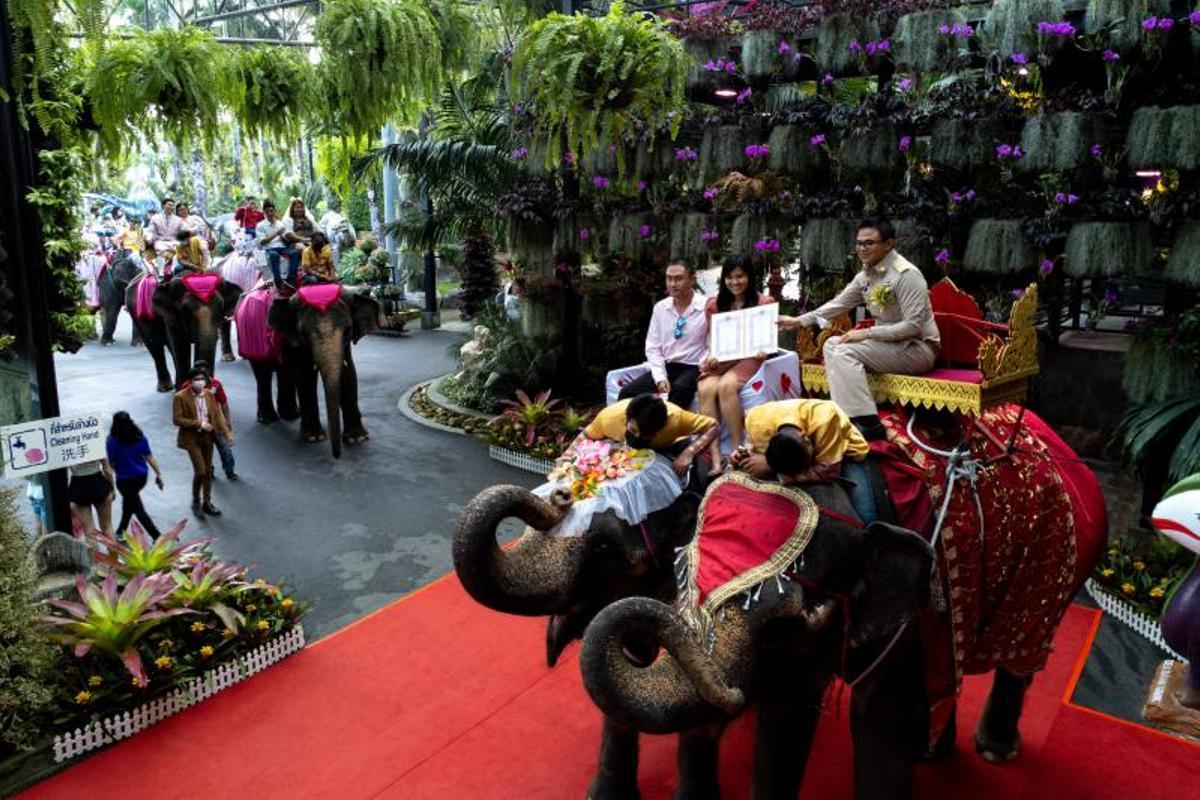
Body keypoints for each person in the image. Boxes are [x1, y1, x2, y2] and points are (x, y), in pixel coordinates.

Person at [777, 217, 939, 441]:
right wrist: (798, 321)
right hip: (888, 346)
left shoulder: (907, 275)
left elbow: (913, 327)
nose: (862, 248)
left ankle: (868, 423)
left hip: (917, 349)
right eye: (859, 243)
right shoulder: (866, 275)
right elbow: (838, 304)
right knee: (832, 344)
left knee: (845, 349)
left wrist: (865, 333)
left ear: (888, 244)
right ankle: (849, 415)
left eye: (869, 243)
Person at [732, 398, 875, 522]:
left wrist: (772, 468)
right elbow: (751, 441)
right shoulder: (755, 419)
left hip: (843, 448)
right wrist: (745, 452)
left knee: (866, 515)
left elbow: (829, 470)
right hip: (788, 459)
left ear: (804, 435)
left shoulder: (826, 418)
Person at [696, 257, 776, 471]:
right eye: (729, 277)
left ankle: (737, 449)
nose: (734, 282)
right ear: (723, 280)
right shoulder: (714, 304)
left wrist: (764, 351)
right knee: (705, 388)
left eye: (739, 276)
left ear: (749, 277)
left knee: (726, 386)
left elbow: (767, 340)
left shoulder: (764, 302)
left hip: (750, 356)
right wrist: (711, 356)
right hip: (723, 357)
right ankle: (714, 457)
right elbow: (714, 339)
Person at [618, 261, 708, 410]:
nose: (673, 284)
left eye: (679, 278)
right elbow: (653, 347)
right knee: (627, 392)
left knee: (680, 388)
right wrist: (660, 377)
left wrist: (704, 363)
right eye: (669, 278)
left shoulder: (706, 306)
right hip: (668, 366)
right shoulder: (661, 308)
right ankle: (632, 432)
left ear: (692, 279)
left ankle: (669, 432)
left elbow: (712, 344)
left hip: (694, 366)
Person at [576, 393, 718, 477]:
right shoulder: (609, 417)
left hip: (668, 449)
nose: (638, 437)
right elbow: (584, 436)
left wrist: (690, 452)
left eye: (646, 434)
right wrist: (564, 460)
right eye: (633, 430)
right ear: (627, 418)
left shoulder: (676, 418)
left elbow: (713, 425)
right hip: (624, 457)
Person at [173, 365, 233, 519]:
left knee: (207, 472)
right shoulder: (180, 397)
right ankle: (195, 502)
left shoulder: (209, 394)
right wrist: (198, 423)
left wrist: (227, 432)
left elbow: (217, 415)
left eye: (202, 379)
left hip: (208, 437)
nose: (200, 382)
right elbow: (177, 419)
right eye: (196, 379)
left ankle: (207, 502)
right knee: (200, 471)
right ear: (190, 381)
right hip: (192, 439)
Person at [106, 411, 165, 539]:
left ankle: (157, 536)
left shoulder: (111, 441)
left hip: (124, 481)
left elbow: (110, 466)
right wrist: (159, 474)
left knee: (138, 510)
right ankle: (121, 532)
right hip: (141, 478)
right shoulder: (139, 437)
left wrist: (111, 487)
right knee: (129, 504)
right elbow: (149, 456)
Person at [192, 360, 238, 481]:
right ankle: (209, 471)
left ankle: (230, 471)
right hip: (200, 426)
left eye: (204, 373)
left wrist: (227, 422)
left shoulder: (215, 385)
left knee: (225, 450)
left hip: (216, 424)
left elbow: (224, 404)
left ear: (208, 372)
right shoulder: (187, 386)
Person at [67, 458, 115, 541]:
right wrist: (112, 488)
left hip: (78, 486)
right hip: (99, 483)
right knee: (107, 527)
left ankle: (94, 554)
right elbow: (107, 470)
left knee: (89, 532)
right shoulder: (94, 444)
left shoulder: (67, 445)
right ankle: (113, 554)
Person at [256, 200, 295, 288]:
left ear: (274, 211)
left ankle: (290, 279)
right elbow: (262, 242)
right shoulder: (260, 225)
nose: (270, 213)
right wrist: (276, 233)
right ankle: (278, 281)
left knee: (294, 253)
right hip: (269, 248)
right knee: (274, 255)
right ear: (264, 212)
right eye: (267, 211)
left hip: (282, 247)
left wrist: (284, 237)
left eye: (271, 211)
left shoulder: (280, 224)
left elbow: (286, 240)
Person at [144, 198, 182, 262]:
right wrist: (148, 238)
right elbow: (151, 231)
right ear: (163, 206)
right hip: (160, 241)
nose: (171, 207)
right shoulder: (155, 218)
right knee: (161, 250)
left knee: (179, 249)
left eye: (173, 206)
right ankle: (162, 267)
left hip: (173, 241)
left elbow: (182, 233)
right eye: (169, 205)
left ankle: (173, 268)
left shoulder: (178, 219)